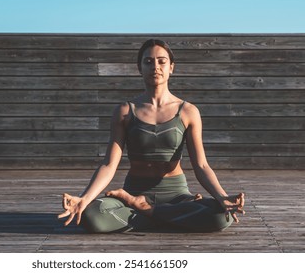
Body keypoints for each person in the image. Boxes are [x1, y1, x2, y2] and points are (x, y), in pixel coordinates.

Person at [58, 39, 245, 233]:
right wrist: (84, 198)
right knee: (91, 215)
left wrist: (222, 197)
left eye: (161, 61)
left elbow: (201, 165)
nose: (155, 66)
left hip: (176, 195)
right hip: (134, 191)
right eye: (148, 62)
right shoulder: (125, 111)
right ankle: (171, 216)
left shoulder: (188, 111)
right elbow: (109, 164)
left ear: (171, 67)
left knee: (221, 216)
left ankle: (144, 210)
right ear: (139, 68)